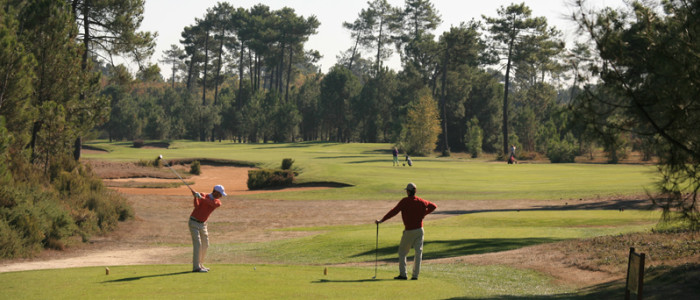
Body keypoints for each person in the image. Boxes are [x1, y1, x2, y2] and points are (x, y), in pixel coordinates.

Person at [375, 183, 437, 280]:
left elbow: (394, 211)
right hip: (420, 230)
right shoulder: (421, 201)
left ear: (408, 191)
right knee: (418, 253)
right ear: (415, 191)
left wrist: (382, 220)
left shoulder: (405, 201)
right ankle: (415, 276)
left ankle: (403, 275)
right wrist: (424, 214)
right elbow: (433, 206)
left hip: (409, 231)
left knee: (402, 252)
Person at [189, 184, 226, 273]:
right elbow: (197, 206)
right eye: (220, 194)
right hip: (194, 222)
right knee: (198, 244)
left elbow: (211, 203)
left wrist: (200, 198)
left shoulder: (217, 202)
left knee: (205, 245)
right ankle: (196, 267)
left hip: (203, 224)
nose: (221, 196)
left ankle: (200, 264)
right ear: (215, 192)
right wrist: (195, 197)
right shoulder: (203, 195)